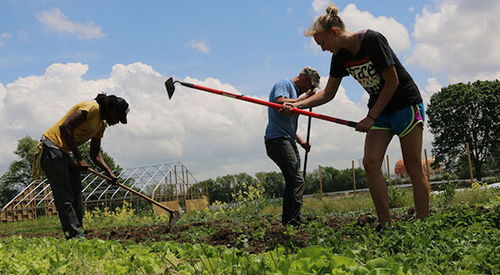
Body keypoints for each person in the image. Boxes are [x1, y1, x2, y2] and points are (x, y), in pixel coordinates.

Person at [283, 4, 429, 230]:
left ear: (333, 33)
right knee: (370, 163)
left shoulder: (372, 40)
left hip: (405, 105)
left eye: (322, 43)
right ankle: (386, 225)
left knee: (412, 167)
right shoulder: (339, 56)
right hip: (380, 112)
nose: (322, 49)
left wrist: (370, 118)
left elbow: (392, 82)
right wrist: (296, 103)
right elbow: (328, 94)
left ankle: (423, 224)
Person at [39, 93, 128, 239]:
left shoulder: (101, 125)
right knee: (65, 196)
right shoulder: (91, 107)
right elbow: (65, 127)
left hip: (64, 152)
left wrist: (109, 173)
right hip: (51, 148)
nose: (117, 121)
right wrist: (79, 158)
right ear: (111, 109)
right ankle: (75, 236)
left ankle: (78, 233)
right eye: (118, 117)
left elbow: (95, 154)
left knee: (76, 196)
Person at [265, 66, 320, 226]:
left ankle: (291, 218)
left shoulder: (295, 94)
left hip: (286, 138)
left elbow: (287, 124)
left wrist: (301, 140)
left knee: (294, 180)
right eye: (310, 86)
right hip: (277, 140)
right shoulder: (284, 84)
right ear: (305, 79)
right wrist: (304, 100)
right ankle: (292, 221)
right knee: (296, 180)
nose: (308, 90)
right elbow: (280, 102)